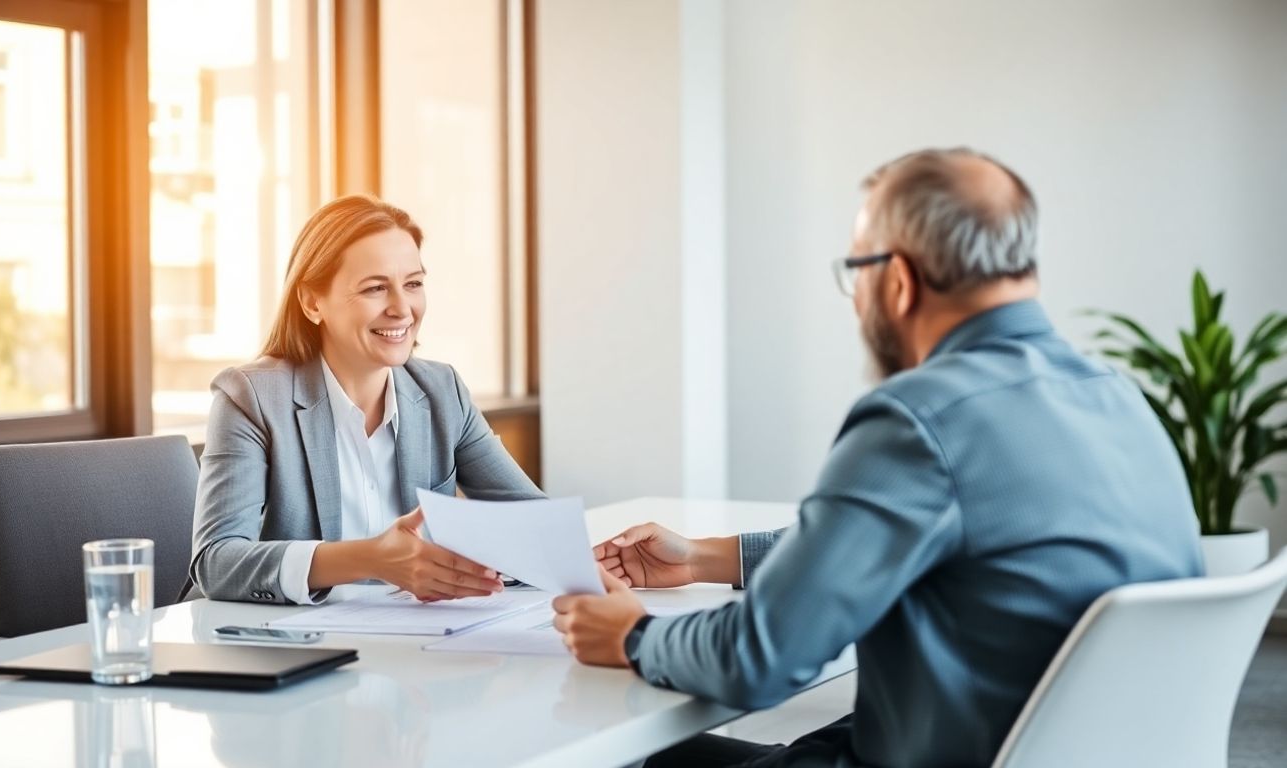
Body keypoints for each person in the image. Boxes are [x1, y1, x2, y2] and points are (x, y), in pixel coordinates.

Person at [551, 148, 1203, 767]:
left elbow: (761, 658)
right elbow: (899, 541)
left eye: (855, 272)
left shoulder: (920, 417)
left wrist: (634, 636)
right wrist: (705, 556)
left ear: (897, 280)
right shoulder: (1118, 397)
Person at [187, 195, 543, 605]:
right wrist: (372, 559)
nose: (402, 308)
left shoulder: (441, 390)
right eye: (375, 288)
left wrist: (612, 560)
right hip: (291, 644)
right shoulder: (250, 397)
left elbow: (533, 522)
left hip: (413, 640)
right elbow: (217, 561)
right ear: (311, 302)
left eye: (412, 284)